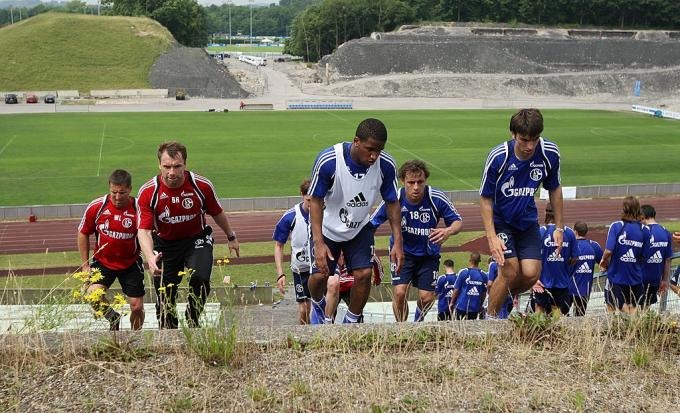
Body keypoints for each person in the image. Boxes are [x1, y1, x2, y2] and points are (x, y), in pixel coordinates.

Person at [307, 118, 403, 324]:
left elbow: (392, 202)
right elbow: (315, 200)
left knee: (364, 273)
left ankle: (351, 321)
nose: (374, 156)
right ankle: (317, 304)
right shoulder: (329, 160)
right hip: (327, 228)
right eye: (370, 149)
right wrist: (318, 242)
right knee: (319, 276)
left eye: (379, 150)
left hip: (359, 227)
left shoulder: (385, 165)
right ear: (356, 141)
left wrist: (398, 242)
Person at [137, 141, 240, 329]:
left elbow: (217, 212)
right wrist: (149, 256)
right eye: (167, 167)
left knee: (200, 277)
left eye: (177, 166)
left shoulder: (201, 185)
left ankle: (193, 317)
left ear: (185, 164)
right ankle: (170, 330)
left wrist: (231, 236)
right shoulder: (148, 192)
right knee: (165, 294)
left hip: (196, 239)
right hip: (165, 244)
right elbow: (143, 230)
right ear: (159, 164)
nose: (172, 173)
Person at [480, 108, 564, 319]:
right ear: (513, 134)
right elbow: (485, 198)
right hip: (501, 221)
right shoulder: (499, 157)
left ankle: (498, 297)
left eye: (534, 140)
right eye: (524, 140)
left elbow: (554, 188)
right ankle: (488, 320)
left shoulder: (549, 153)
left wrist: (559, 227)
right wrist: (491, 237)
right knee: (509, 269)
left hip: (527, 221)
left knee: (531, 273)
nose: (529, 146)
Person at [370, 160, 463, 322]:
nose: (416, 187)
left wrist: (448, 231)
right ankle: (402, 328)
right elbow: (372, 224)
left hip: (428, 255)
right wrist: (366, 248)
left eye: (420, 182)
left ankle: (417, 323)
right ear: (402, 182)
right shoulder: (395, 199)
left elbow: (458, 222)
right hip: (402, 254)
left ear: (425, 181)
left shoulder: (436, 197)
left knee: (427, 297)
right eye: (411, 182)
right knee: (399, 292)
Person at [77, 169, 145, 330]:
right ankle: (113, 318)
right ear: (109, 188)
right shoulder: (97, 206)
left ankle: (136, 339)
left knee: (137, 307)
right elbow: (83, 233)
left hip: (130, 263)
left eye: (122, 192)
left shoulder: (138, 208)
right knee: (93, 296)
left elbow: (147, 234)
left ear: (129, 189)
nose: (117, 197)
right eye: (114, 192)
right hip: (103, 262)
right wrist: (86, 265)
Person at [599, 196, 651, 314]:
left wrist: (603, 260)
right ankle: (633, 328)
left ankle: (621, 328)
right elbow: (645, 256)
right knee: (634, 308)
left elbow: (608, 250)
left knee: (613, 306)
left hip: (616, 277)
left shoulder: (617, 226)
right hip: (635, 278)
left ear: (623, 209)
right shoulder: (645, 230)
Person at [273, 179, 312, 325]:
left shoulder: (325, 212)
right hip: (300, 269)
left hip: (320, 267)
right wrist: (280, 274)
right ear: (302, 195)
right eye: (308, 199)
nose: (311, 203)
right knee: (304, 308)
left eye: (314, 199)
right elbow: (278, 245)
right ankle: (303, 336)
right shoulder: (290, 216)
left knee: (322, 304)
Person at [530, 203, 577, 316]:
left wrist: (533, 279)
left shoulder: (540, 232)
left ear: (545, 213)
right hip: (561, 281)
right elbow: (575, 258)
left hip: (541, 281)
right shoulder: (569, 233)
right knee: (557, 313)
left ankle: (538, 334)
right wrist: (566, 267)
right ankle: (556, 333)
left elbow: (531, 258)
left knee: (539, 311)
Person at [639, 204, 672, 309]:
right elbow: (667, 259)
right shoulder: (665, 231)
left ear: (643, 216)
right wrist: (664, 279)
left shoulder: (642, 231)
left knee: (633, 307)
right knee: (646, 307)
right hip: (655, 278)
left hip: (639, 277)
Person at [568, 221, 603, 317]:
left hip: (568, 288)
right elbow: (603, 263)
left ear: (574, 231)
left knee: (562, 316)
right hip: (585, 290)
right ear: (586, 232)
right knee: (579, 317)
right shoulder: (594, 246)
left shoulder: (569, 245)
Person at [450, 252, 488, 320]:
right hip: (474, 307)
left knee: (460, 327)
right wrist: (481, 305)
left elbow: (456, 289)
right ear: (479, 261)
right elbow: (483, 293)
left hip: (461, 306)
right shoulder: (483, 275)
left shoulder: (464, 272)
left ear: (470, 260)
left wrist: (452, 302)